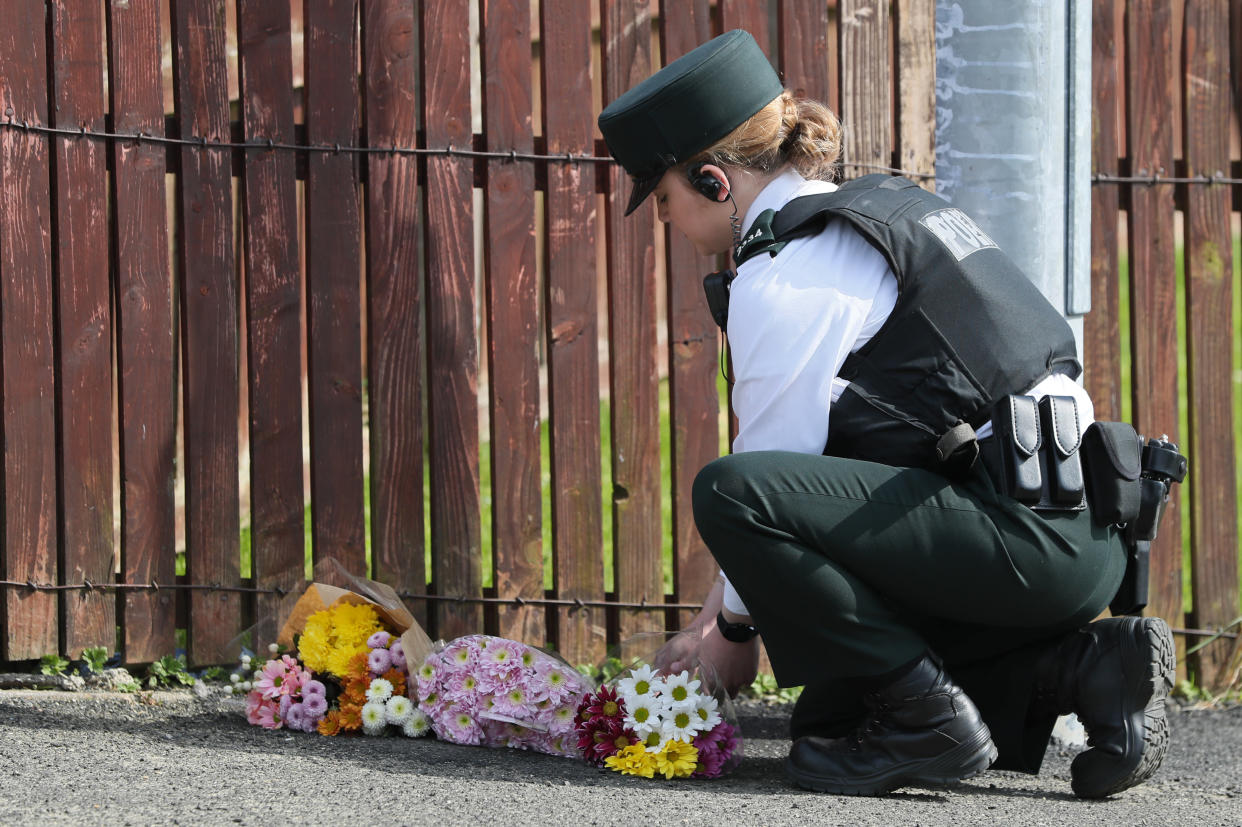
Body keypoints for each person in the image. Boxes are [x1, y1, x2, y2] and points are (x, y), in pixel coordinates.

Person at [597, 29, 1176, 799]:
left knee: (726, 490)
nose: (664, 221)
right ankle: (1092, 668)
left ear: (712, 180)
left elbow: (764, 480)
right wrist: (723, 619)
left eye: (662, 198)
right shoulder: (886, 207)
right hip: (1076, 536)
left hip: (1019, 542)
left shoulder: (788, 273)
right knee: (831, 724)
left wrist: (731, 632)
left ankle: (926, 719)